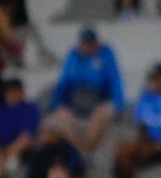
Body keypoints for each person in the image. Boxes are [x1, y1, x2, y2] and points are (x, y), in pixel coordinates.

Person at [46, 27, 126, 156]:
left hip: (98, 100)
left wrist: (118, 104)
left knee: (100, 115)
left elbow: (115, 80)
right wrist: (56, 105)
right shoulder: (73, 56)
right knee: (61, 119)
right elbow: (63, 82)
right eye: (84, 43)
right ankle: (80, 149)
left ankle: (87, 147)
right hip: (75, 102)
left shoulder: (105, 55)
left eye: (90, 43)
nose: (87, 47)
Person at [0, 78, 41, 168]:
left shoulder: (29, 109)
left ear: (21, 92)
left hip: (20, 151)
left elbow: (26, 138)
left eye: (15, 91)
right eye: (9, 91)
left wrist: (6, 153)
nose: (12, 94)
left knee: (12, 163)